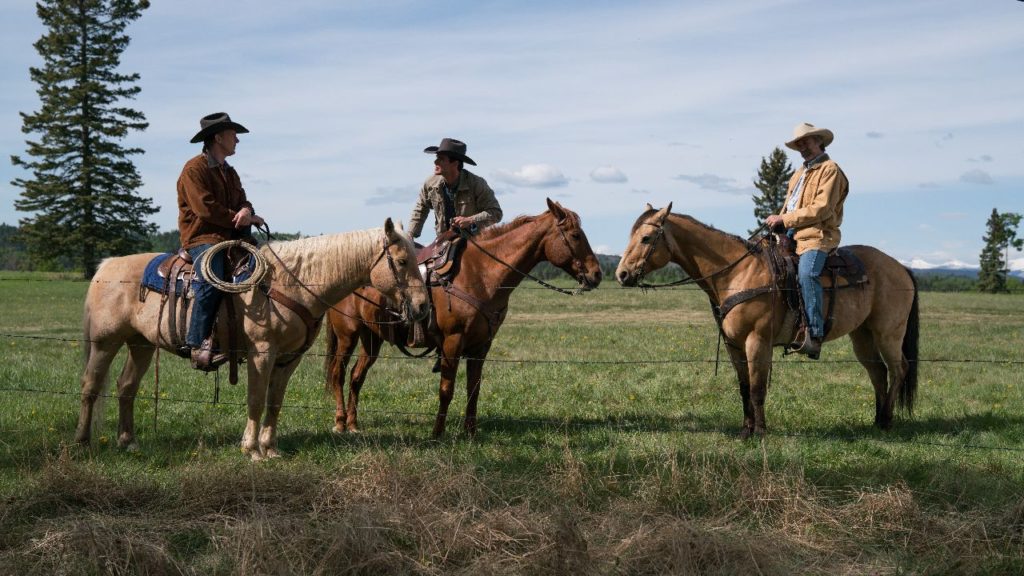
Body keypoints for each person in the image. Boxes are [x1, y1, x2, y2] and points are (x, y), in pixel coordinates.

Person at [177, 112, 264, 370]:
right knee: (211, 277)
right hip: (202, 237)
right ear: (218, 137)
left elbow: (242, 201)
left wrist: (247, 211)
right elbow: (205, 209)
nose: (237, 139)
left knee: (264, 268)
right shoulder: (194, 169)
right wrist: (238, 219)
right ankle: (194, 342)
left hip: (229, 236)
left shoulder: (230, 172)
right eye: (232, 134)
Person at [766, 122, 849, 360]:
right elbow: (788, 206)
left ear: (819, 141)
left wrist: (784, 219)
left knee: (806, 273)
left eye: (807, 141)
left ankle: (813, 334)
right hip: (791, 234)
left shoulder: (830, 169)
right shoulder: (798, 174)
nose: (803, 147)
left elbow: (822, 209)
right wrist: (779, 228)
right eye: (799, 144)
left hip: (818, 235)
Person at [408, 138, 502, 242]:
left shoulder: (476, 184)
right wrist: (410, 234)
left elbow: (496, 213)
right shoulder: (430, 184)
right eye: (436, 157)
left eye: (441, 159)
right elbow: (421, 208)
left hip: (473, 243)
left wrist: (470, 220)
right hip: (442, 242)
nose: (435, 161)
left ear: (455, 163)